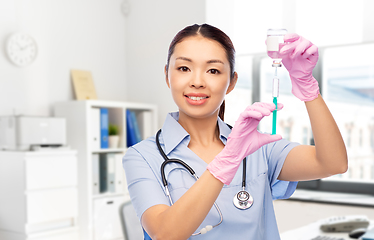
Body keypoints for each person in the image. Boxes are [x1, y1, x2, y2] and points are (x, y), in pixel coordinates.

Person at [122, 23, 348, 239]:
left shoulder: (257, 147)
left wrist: (307, 87)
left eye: (213, 70)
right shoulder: (142, 157)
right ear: (167, 75)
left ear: (231, 82)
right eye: (184, 68)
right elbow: (165, 234)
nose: (197, 81)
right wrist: (228, 160)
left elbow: (333, 163)